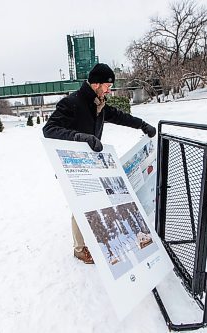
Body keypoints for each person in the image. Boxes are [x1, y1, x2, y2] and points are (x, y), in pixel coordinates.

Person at [43, 63, 156, 264]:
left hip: (92, 163)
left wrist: (142, 125)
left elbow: (120, 117)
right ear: (96, 84)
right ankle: (79, 249)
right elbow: (49, 130)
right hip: (72, 165)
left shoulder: (99, 104)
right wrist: (79, 137)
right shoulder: (71, 103)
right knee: (80, 206)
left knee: (96, 201)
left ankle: (94, 237)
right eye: (107, 85)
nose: (109, 89)